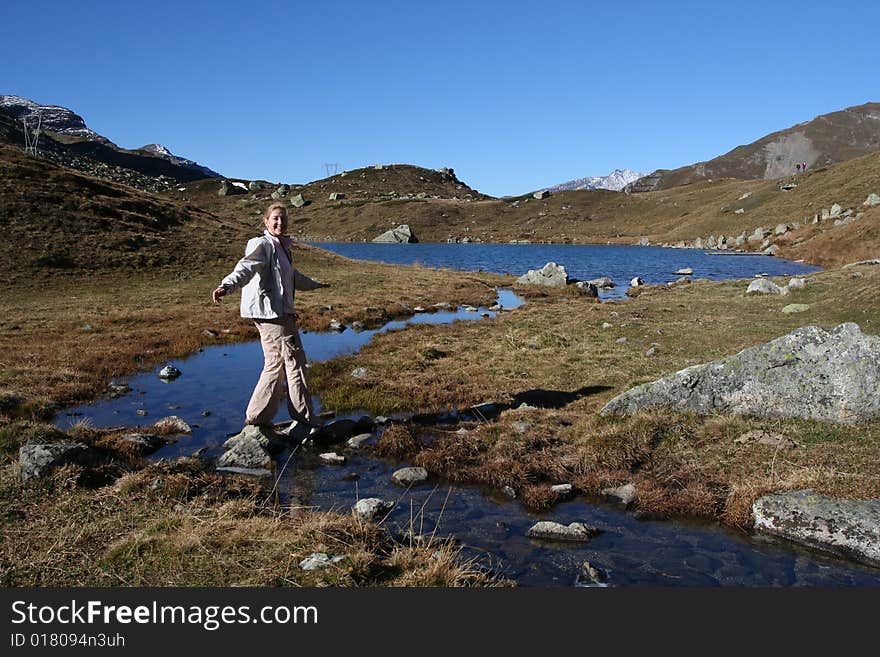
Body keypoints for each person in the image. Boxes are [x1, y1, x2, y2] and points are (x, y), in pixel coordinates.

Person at [212, 202, 328, 435]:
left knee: (275, 363)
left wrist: (316, 285)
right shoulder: (262, 244)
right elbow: (245, 268)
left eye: (283, 219)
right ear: (266, 221)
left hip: (280, 313)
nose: (279, 222)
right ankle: (303, 416)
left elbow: (293, 277)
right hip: (271, 315)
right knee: (294, 361)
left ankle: (258, 416)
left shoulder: (283, 247)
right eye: (275, 218)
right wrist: (226, 285)